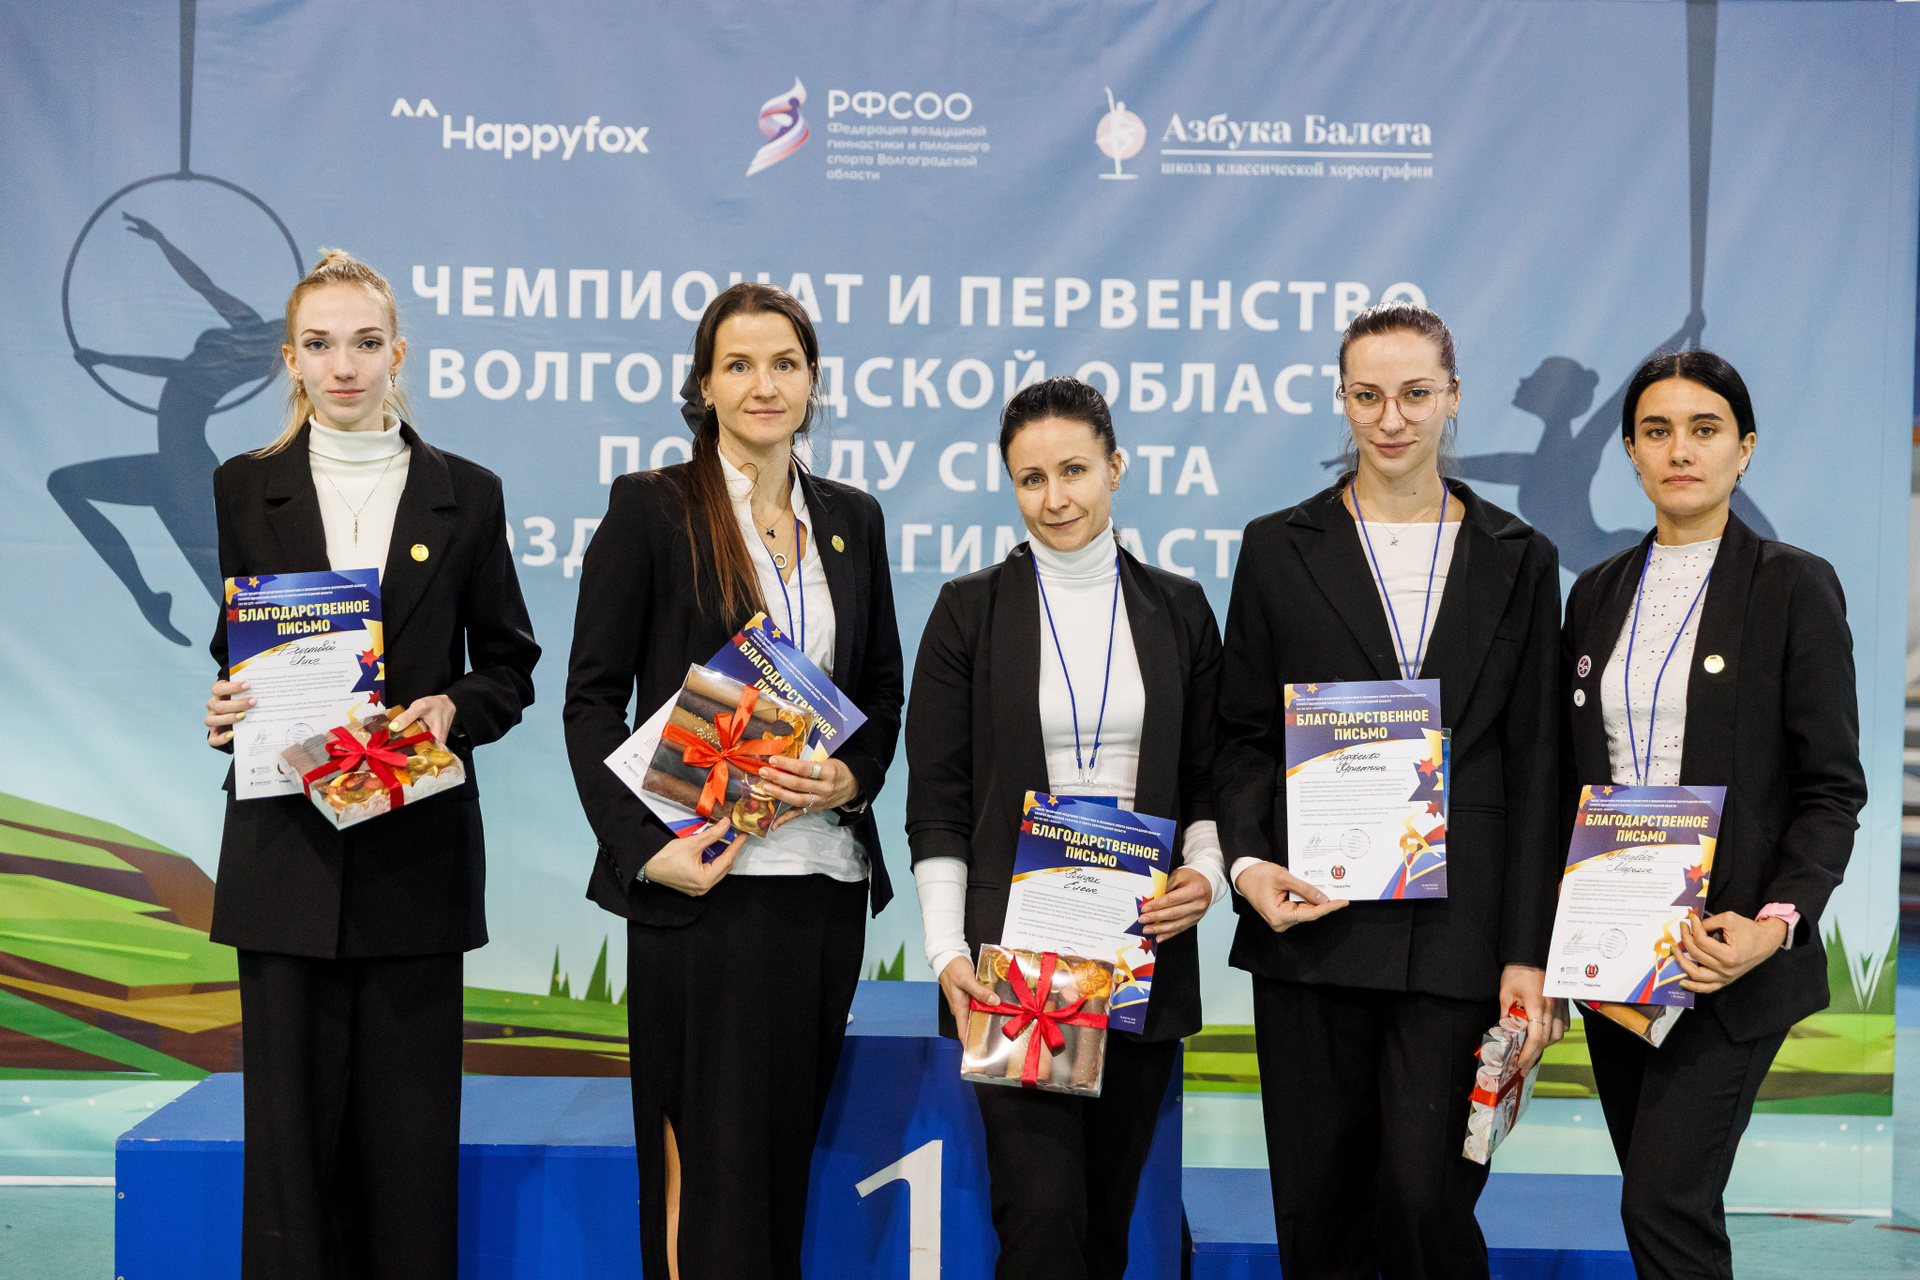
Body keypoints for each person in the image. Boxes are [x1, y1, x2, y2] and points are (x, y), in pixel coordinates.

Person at [201, 249, 540, 1280]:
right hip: (284, 853)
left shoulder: (466, 493)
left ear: (399, 353)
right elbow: (240, 650)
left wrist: (455, 708)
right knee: (288, 1167)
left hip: (415, 859)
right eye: (319, 344)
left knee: (408, 1159)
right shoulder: (242, 485)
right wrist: (223, 705)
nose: (342, 365)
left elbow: (511, 664)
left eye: (364, 342)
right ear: (290, 361)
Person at [1216, 302, 1567, 1280]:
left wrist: (1529, 953)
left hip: (1459, 933)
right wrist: (1247, 864)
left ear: (1453, 397)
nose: (1392, 418)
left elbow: (1539, 763)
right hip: (1313, 922)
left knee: (1424, 1199)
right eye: (1367, 395)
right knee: (1319, 1207)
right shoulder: (1278, 546)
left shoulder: (1520, 556)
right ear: (1342, 399)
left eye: (1415, 393)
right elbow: (1242, 734)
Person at [563, 282, 903, 1280]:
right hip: (702, 887)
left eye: (785, 363)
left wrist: (847, 778)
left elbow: (881, 690)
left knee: (778, 1171)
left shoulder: (853, 519)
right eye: (740, 364)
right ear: (704, 384)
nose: (765, 384)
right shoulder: (652, 507)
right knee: (705, 1174)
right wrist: (647, 853)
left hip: (822, 889)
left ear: (813, 381)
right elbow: (590, 702)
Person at [906, 376, 1225, 1280]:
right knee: (1041, 1218)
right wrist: (947, 952)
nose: (1056, 498)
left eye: (1075, 470)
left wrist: (1204, 871)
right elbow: (939, 800)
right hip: (1014, 965)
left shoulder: (1180, 608)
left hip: (1140, 950)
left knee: (1103, 1232)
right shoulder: (968, 610)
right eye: (1031, 478)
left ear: (1115, 467)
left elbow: (1212, 774)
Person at [1560, 350, 1864, 1280]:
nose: (1679, 451)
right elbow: (1574, 778)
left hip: (1729, 954)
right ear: (1631, 452)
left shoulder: (1793, 585)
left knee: (1663, 1202)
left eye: (1704, 430)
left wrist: (1773, 925)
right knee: (1666, 1206)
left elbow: (1831, 788)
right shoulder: (1596, 590)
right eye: (1656, 432)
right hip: (1618, 955)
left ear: (1746, 448)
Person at [51, 212, 283, 644]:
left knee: (228, 595)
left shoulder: (253, 337)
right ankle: (146, 597)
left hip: (185, 467)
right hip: (173, 466)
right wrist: (106, 359)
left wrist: (161, 242)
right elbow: (174, 370)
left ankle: (285, 657)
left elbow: (202, 285)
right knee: (64, 484)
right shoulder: (240, 353)